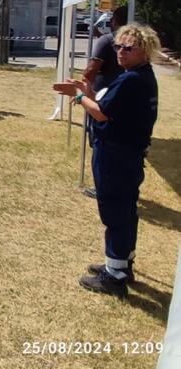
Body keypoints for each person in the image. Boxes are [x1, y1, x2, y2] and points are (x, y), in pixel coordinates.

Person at [55, 24, 160, 298]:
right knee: (124, 212)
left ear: (144, 51)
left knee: (115, 212)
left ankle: (114, 276)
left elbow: (101, 113)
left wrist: (77, 96)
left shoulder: (131, 80)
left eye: (128, 48)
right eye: (118, 47)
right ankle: (121, 264)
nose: (120, 52)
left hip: (117, 154)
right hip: (126, 153)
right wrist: (86, 92)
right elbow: (108, 106)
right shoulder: (140, 76)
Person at [83, 6, 128, 93]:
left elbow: (91, 70)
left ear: (113, 20)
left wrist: (83, 93)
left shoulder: (108, 40)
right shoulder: (138, 41)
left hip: (104, 92)